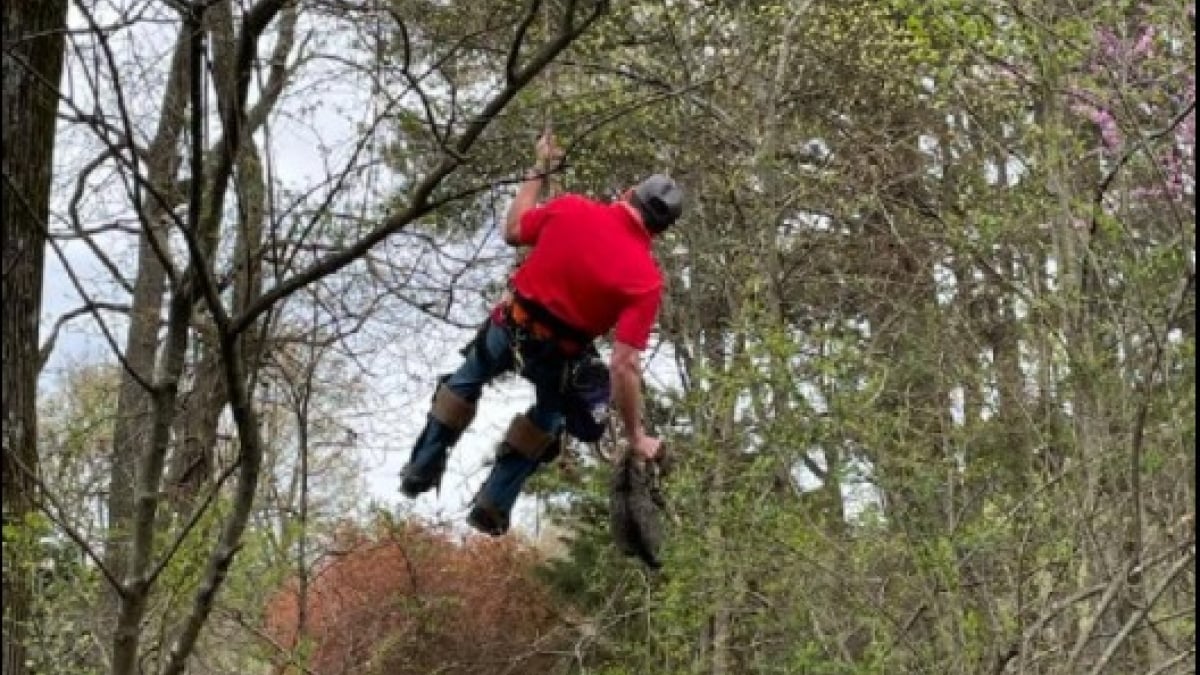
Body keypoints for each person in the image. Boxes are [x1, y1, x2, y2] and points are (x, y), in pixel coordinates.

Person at [399, 130, 684, 536]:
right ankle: (494, 503)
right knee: (548, 417)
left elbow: (513, 229)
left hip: (512, 326)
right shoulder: (645, 280)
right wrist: (636, 435)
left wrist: (540, 169)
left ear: (627, 193)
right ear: (661, 230)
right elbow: (625, 365)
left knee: (467, 379)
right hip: (561, 355)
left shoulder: (570, 209)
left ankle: (421, 468)